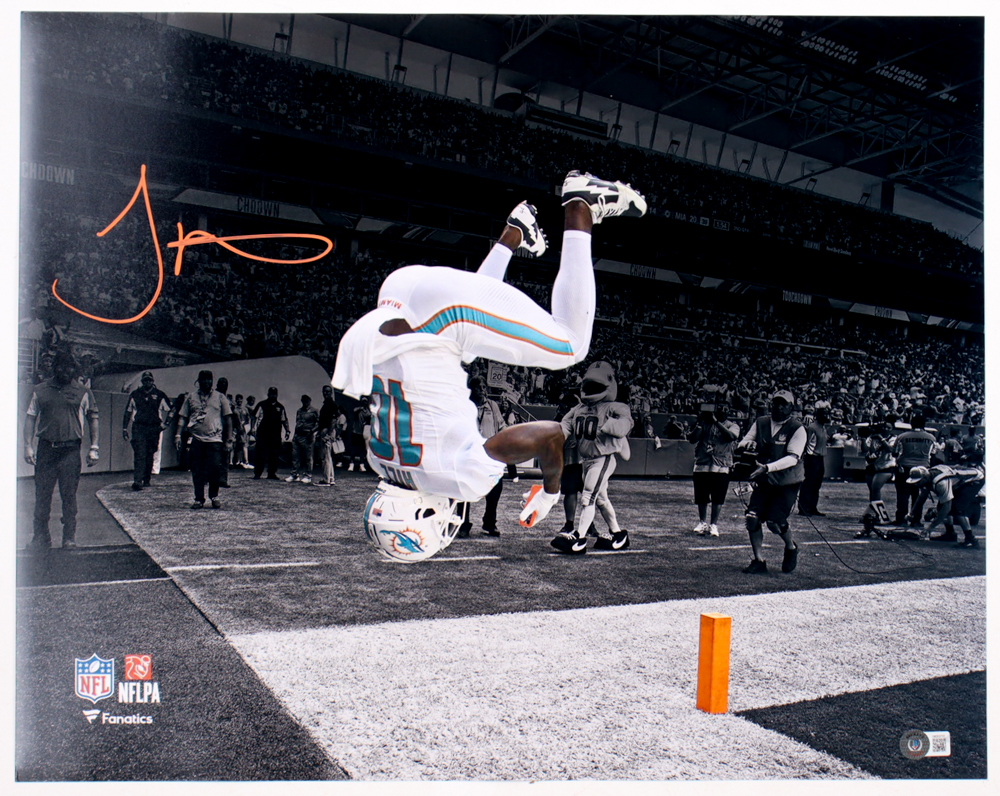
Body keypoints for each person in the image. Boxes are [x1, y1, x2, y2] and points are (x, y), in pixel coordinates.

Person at [332, 171, 646, 562]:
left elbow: (549, 434)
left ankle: (580, 206)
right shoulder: (378, 461)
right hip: (395, 300)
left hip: (441, 315)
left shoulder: (458, 481)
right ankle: (515, 232)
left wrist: (549, 492)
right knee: (465, 350)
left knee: (571, 345)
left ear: (424, 515)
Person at [551, 361, 634, 554]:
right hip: (586, 460)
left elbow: (626, 422)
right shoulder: (579, 408)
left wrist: (611, 426)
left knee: (588, 496)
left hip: (603, 458)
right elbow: (565, 425)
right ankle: (618, 534)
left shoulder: (614, 407)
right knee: (601, 499)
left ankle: (579, 538)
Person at [23, 348, 100, 550]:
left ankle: (69, 537)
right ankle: (40, 537)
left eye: (69, 367)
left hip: (70, 451)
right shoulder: (40, 390)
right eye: (61, 367)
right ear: (54, 367)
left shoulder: (83, 392)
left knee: (69, 495)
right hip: (46, 450)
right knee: (42, 495)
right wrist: (28, 446)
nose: (65, 371)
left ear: (74, 369)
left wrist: (94, 447)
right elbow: (30, 418)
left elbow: (93, 418)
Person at [735, 389, 806, 575]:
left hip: (786, 482)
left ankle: (791, 547)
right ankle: (758, 560)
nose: (778, 407)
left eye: (783, 404)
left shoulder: (797, 428)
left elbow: (793, 458)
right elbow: (743, 442)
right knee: (752, 517)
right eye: (776, 403)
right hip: (764, 479)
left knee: (774, 522)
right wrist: (748, 445)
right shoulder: (761, 422)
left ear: (791, 407)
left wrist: (767, 467)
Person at [456, 377, 507, 538]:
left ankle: (489, 522)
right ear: (471, 390)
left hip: (489, 453)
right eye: (479, 387)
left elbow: (501, 426)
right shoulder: (464, 406)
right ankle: (463, 523)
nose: (483, 390)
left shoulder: (492, 406)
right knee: (465, 487)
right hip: (469, 452)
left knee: (495, 486)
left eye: (484, 387)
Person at [175, 370, 233, 509]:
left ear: (212, 381)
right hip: (196, 439)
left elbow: (228, 419)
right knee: (197, 470)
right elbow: (182, 417)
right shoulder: (191, 397)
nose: (206, 382)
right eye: (203, 379)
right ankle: (199, 499)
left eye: (209, 379)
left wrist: (229, 439)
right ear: (198, 381)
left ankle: (214, 496)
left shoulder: (220, 397)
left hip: (214, 440)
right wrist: (177, 435)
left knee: (215, 468)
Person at [687, 401, 740, 537]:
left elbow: (731, 437)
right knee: (701, 496)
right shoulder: (704, 423)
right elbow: (692, 439)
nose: (723, 411)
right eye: (720, 409)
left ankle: (714, 524)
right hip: (703, 462)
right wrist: (700, 422)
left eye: (725, 409)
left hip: (721, 464)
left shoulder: (732, 425)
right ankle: (702, 522)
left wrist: (716, 422)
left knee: (718, 497)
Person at [906, 464, 985, 547]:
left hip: (974, 479)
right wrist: (911, 513)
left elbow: (947, 507)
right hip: (959, 480)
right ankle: (950, 533)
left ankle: (971, 539)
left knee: (957, 509)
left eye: (918, 481)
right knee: (942, 506)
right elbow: (922, 497)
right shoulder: (927, 478)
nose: (916, 484)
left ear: (925, 478)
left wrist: (930, 527)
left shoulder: (940, 483)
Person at [121, 371, 171, 491]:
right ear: (142, 382)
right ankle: (138, 480)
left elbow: (172, 409)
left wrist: (166, 423)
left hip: (154, 428)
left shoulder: (159, 394)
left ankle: (146, 478)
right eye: (145, 380)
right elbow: (128, 411)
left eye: (149, 380)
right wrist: (124, 428)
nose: (147, 382)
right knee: (139, 453)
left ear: (153, 381)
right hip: (139, 427)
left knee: (150, 453)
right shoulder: (135, 394)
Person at [892, 414, 937, 525]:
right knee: (918, 496)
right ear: (924, 424)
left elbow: (894, 453)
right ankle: (916, 520)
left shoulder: (902, 436)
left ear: (911, 424)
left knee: (902, 495)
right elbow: (933, 454)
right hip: (923, 469)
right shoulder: (931, 438)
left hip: (904, 468)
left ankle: (901, 519)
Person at [797, 406, 831, 516]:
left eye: (827, 414)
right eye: (823, 414)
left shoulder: (823, 427)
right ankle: (803, 508)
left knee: (817, 484)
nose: (826, 416)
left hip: (820, 458)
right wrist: (809, 457)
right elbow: (808, 443)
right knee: (809, 483)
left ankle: (812, 507)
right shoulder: (812, 427)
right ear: (818, 415)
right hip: (812, 458)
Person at [253, 387, 289, 480]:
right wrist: (253, 429)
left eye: (274, 394)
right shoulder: (262, 404)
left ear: (277, 395)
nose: (273, 396)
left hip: (275, 435)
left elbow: (284, 420)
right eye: (271, 394)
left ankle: (271, 473)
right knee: (260, 454)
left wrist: (287, 431)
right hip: (263, 434)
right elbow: (254, 417)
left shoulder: (280, 407)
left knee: (274, 454)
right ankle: (258, 473)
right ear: (268, 394)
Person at [286, 394, 319, 484]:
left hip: (307, 436)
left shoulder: (314, 411)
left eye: (307, 400)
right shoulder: (299, 411)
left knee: (308, 457)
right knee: (295, 456)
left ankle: (308, 475)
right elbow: (298, 422)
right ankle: (294, 474)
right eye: (303, 400)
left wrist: (312, 431)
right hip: (298, 435)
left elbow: (318, 423)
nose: (305, 402)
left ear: (310, 400)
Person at [316, 384, 338, 487]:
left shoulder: (331, 405)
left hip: (327, 431)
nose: (326, 393)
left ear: (331, 393)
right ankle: (331, 478)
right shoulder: (326, 404)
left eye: (328, 392)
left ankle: (326, 480)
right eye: (324, 391)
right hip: (325, 431)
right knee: (328, 456)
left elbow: (333, 420)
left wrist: (328, 433)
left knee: (325, 457)